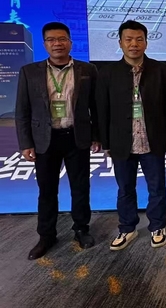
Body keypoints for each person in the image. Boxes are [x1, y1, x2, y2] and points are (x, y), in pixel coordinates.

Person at [15, 22, 100, 260]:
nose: (57, 44)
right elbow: (22, 110)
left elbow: (96, 107)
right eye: (51, 40)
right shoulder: (29, 72)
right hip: (45, 140)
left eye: (62, 39)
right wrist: (25, 143)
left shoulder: (87, 70)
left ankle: (81, 229)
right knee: (47, 190)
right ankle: (46, 235)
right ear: (44, 44)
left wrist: (96, 136)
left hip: (76, 137)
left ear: (70, 42)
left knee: (80, 188)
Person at [96, 20, 166, 250]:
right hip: (122, 142)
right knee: (125, 189)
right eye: (129, 39)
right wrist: (105, 141)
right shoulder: (108, 73)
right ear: (120, 42)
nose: (134, 44)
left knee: (157, 188)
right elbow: (102, 109)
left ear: (146, 43)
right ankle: (127, 227)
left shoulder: (161, 70)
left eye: (139, 39)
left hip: (153, 141)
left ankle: (157, 226)